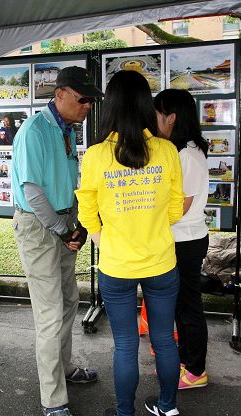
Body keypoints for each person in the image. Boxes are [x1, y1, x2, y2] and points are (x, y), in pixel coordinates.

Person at [75, 71, 184, 416]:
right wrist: (149, 227)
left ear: (109, 105)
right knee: (164, 340)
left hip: (117, 265)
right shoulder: (167, 150)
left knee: (124, 345)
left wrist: (107, 239)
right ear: (145, 105)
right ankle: (168, 407)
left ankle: (125, 412)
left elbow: (88, 214)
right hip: (162, 262)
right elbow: (176, 210)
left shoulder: (95, 155)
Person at [12, 66, 102, 416]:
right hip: (40, 226)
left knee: (67, 301)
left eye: (91, 101)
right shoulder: (35, 130)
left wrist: (74, 223)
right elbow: (31, 191)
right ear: (60, 94)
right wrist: (64, 230)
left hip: (63, 221)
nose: (88, 107)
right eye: (83, 100)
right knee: (50, 313)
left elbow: (67, 179)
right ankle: (53, 399)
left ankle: (63, 371)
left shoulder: (67, 129)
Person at [154, 89, 210, 390]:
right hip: (183, 239)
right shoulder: (183, 150)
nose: (153, 121)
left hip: (185, 241)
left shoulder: (187, 155)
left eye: (157, 115)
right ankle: (185, 361)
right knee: (180, 305)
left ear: (172, 117)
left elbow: (180, 207)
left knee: (189, 307)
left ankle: (196, 370)